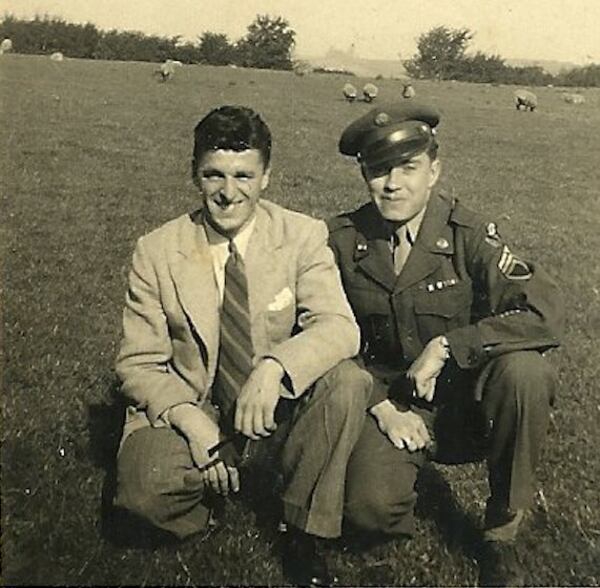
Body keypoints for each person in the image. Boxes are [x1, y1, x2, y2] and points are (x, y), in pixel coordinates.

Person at [114, 105, 369, 586]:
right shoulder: (156, 249)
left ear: (266, 177)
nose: (228, 193)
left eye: (243, 176)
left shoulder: (303, 235)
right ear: (194, 175)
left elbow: (339, 327)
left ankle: (302, 530)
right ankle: (213, 501)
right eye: (214, 175)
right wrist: (194, 425)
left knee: (348, 380)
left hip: (273, 409)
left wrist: (275, 367)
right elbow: (139, 364)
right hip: (199, 407)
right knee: (143, 495)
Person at [328, 102, 564, 587]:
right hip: (395, 405)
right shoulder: (342, 240)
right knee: (369, 514)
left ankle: (503, 530)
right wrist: (379, 406)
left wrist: (450, 344)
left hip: (470, 407)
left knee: (526, 372)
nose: (393, 184)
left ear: (434, 170)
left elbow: (545, 313)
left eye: (408, 168)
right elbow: (323, 336)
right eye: (378, 171)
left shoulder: (469, 235)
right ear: (363, 174)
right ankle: (398, 488)